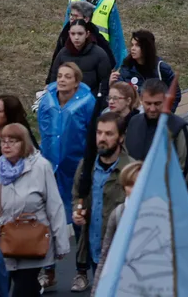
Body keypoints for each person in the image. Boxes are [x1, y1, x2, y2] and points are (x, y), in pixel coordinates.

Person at [0, 123, 70, 297]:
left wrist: (61, 242)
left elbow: (54, 206)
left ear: (24, 143)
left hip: (33, 242)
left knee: (22, 290)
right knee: (23, 289)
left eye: (13, 141)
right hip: (6, 243)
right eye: (3, 141)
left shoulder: (41, 167)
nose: (7, 145)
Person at [69, 113, 133, 292]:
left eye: (109, 134)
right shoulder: (86, 167)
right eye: (99, 133)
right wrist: (77, 211)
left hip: (123, 256)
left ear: (121, 137)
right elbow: (76, 195)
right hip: (95, 251)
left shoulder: (131, 171)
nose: (102, 139)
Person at [37, 62, 96, 220]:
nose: (62, 80)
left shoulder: (87, 102)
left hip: (74, 166)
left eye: (67, 77)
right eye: (59, 76)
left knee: (74, 212)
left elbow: (92, 133)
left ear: (76, 82)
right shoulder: (47, 101)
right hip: (49, 164)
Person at [68, 0, 127, 68]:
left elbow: (116, 35)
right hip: (79, 50)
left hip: (101, 50)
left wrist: (117, 63)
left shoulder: (109, 2)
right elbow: (66, 28)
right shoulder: (75, 1)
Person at [47, 19, 114, 102]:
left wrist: (98, 102)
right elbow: (53, 79)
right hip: (65, 102)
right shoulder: (62, 54)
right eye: (73, 34)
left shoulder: (99, 54)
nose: (76, 37)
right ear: (69, 34)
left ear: (87, 34)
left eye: (80, 33)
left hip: (90, 102)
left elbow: (104, 83)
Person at [113, 29, 182, 108]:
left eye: (137, 45)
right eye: (132, 45)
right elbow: (120, 92)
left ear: (147, 48)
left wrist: (166, 113)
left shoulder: (161, 68)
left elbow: (175, 93)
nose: (133, 48)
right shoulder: (126, 67)